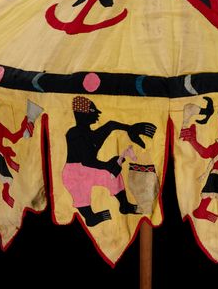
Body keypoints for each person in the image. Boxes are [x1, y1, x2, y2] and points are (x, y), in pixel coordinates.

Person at [62, 96, 156, 227]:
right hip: (74, 173)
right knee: (81, 194)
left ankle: (124, 205)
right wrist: (107, 165)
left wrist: (130, 129)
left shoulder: (91, 134)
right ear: (83, 114)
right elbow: (87, 161)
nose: (97, 114)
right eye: (93, 111)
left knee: (112, 176)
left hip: (88, 169)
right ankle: (90, 217)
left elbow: (110, 125)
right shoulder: (75, 133)